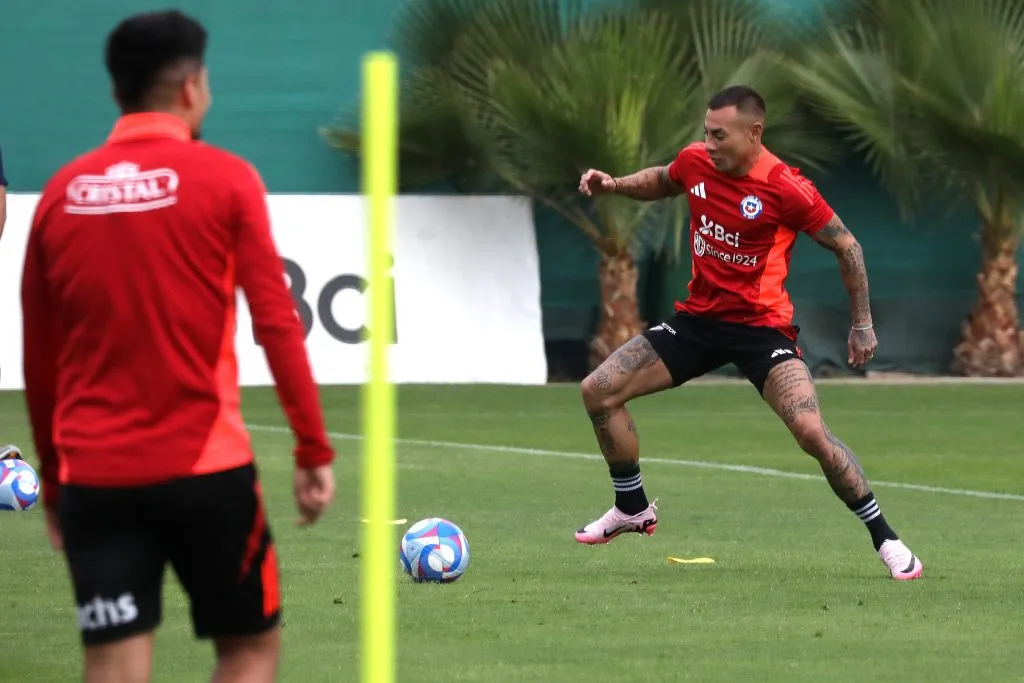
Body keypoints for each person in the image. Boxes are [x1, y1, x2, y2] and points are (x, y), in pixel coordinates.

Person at [21, 10, 337, 683]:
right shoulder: (226, 179)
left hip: (95, 481)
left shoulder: (60, 194)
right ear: (193, 87)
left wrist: (52, 481)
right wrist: (312, 448)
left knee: (112, 663)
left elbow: (38, 358)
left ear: (116, 93)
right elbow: (277, 323)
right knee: (248, 650)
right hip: (206, 472)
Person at [575, 85, 922, 581]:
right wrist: (614, 185)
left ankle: (886, 538)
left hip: (762, 332)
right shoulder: (697, 162)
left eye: (721, 135)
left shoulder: (786, 187)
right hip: (697, 322)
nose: (710, 144)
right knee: (598, 391)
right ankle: (631, 507)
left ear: (754, 133)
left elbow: (848, 247)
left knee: (810, 432)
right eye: (706, 134)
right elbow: (665, 179)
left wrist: (862, 323)